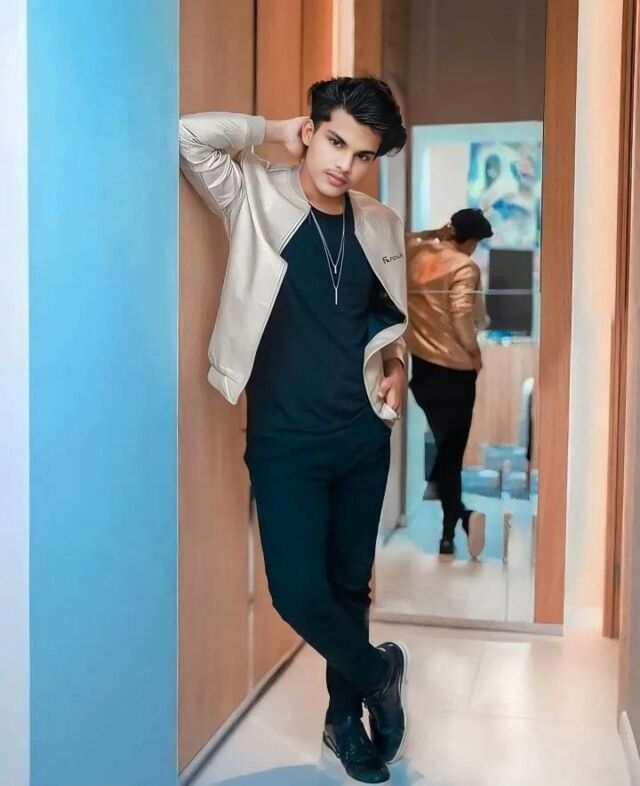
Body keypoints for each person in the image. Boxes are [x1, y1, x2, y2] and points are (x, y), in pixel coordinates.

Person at [179, 77, 409, 784]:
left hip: (361, 436)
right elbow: (189, 136)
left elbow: (387, 314)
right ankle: (378, 674)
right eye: (335, 140)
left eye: (363, 154)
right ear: (313, 131)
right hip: (284, 439)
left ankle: (344, 724)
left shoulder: (379, 221)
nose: (345, 164)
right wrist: (272, 130)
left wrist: (397, 363)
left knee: (348, 588)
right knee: (296, 593)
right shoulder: (252, 194)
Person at [406, 209, 493, 560]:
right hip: (455, 373)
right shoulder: (464, 267)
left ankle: (449, 534)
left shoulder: (418, 253)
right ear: (470, 240)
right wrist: (474, 353)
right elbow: (461, 315)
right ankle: (460, 518)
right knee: (450, 456)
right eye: (476, 243)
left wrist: (435, 233)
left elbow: (400, 239)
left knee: (447, 453)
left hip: (423, 371)